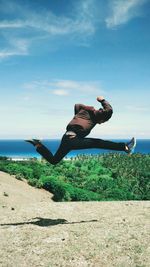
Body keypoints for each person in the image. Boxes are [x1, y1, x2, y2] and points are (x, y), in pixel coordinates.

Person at [26, 96, 136, 165]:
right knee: (98, 142)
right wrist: (102, 100)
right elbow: (109, 110)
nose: (101, 123)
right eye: (103, 121)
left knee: (54, 160)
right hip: (73, 139)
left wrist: (80, 114)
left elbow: (77, 105)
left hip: (66, 138)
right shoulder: (95, 114)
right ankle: (125, 147)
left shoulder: (84, 111)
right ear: (101, 116)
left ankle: (37, 145)